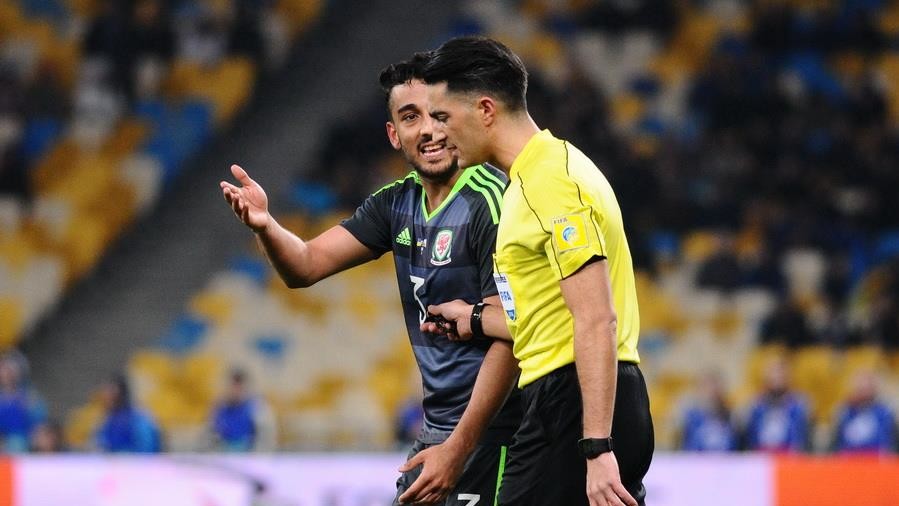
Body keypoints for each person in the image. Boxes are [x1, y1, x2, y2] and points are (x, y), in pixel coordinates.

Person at [220, 57, 521, 505]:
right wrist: (266, 226)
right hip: (439, 431)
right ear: (394, 134)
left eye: (437, 115)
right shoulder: (395, 203)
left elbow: (512, 334)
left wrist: (460, 447)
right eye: (411, 117)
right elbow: (305, 265)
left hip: (495, 434)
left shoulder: (491, 201)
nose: (428, 130)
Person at [419, 37, 654, 506]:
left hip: (574, 402)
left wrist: (596, 446)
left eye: (443, 117)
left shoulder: (550, 181)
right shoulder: (533, 179)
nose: (436, 133)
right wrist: (474, 318)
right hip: (581, 396)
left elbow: (596, 318)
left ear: (485, 109)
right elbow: (552, 317)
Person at [743, 359, 809, 452]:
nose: (777, 378)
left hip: (789, 454)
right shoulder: (756, 404)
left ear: (788, 377)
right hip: (761, 453)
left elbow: (801, 436)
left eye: (781, 374)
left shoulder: (798, 404)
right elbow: (750, 435)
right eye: (773, 373)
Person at [210, 369, 277, 452]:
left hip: (250, 454)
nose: (236, 391)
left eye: (239, 387)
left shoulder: (257, 408)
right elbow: (212, 434)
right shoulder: (220, 408)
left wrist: (257, 455)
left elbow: (266, 438)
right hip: (224, 453)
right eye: (233, 386)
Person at [831, 370, 896, 454]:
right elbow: (836, 443)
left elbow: (890, 443)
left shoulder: (884, 413)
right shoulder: (845, 412)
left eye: (867, 387)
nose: (863, 390)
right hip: (848, 457)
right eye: (860, 387)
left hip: (876, 457)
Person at [94, 375, 162, 453]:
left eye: (110, 392)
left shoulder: (138, 418)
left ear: (120, 393)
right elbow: (102, 444)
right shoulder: (108, 418)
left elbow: (147, 449)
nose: (105, 397)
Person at [678, 372, 738, 452]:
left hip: (726, 458)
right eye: (707, 386)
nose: (711, 391)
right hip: (696, 458)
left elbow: (736, 445)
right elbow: (685, 445)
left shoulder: (730, 416)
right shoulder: (692, 417)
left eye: (715, 386)